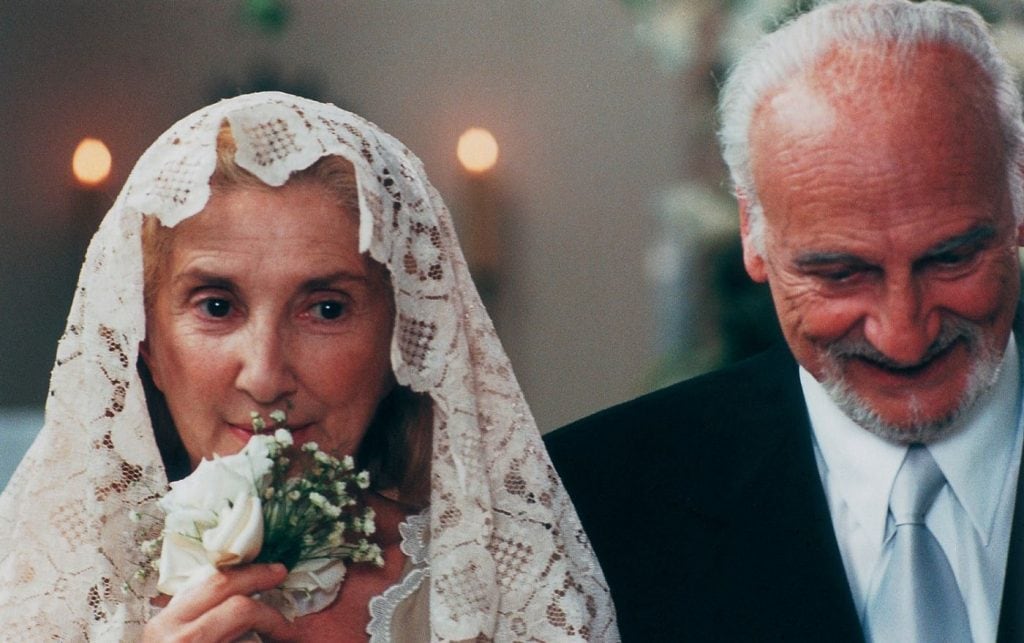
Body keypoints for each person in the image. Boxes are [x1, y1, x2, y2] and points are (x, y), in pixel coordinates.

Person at [0, 92, 618, 641]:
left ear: (403, 341)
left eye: (326, 309)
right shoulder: (53, 600)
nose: (265, 377)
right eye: (216, 306)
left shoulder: (498, 591)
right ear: (145, 344)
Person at [545, 1, 1024, 641]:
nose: (903, 335)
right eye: (841, 274)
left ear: (1019, 196)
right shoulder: (584, 508)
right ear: (752, 231)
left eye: (951, 259)